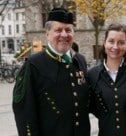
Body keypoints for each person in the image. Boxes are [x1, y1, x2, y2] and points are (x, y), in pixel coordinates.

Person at [12, 8, 90, 136]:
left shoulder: (79, 60)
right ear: (47, 34)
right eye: (58, 30)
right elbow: (24, 111)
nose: (64, 35)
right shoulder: (33, 65)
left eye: (68, 30)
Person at [88, 23, 126, 136]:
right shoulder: (92, 75)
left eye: (121, 42)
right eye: (111, 41)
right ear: (104, 43)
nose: (115, 46)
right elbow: (91, 107)